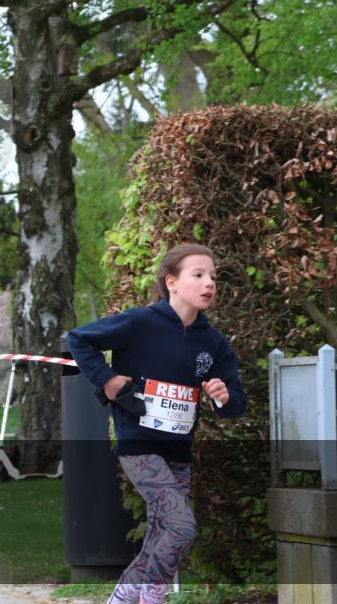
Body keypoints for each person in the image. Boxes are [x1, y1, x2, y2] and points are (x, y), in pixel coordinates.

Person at [65, 243, 249, 604]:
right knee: (182, 526)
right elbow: (79, 339)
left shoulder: (212, 342)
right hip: (139, 446)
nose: (209, 283)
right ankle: (152, 597)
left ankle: (121, 599)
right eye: (198, 275)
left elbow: (236, 405)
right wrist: (109, 381)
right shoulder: (139, 323)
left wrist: (224, 396)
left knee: (163, 535)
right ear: (172, 282)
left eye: (213, 276)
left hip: (178, 452)